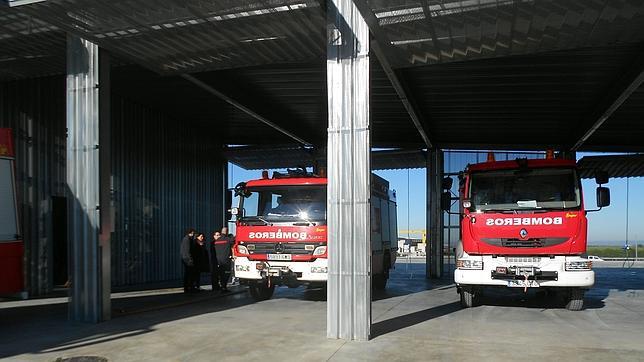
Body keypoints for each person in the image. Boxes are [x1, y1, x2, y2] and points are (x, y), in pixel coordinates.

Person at [214, 227, 235, 292]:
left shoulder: (217, 241)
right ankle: (224, 286)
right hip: (226, 260)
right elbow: (234, 241)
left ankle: (222, 286)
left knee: (221, 273)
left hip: (218, 260)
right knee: (227, 273)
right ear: (226, 232)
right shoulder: (228, 239)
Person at [180, 228, 196, 294]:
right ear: (190, 233)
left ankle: (188, 288)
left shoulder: (186, 239)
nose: (193, 234)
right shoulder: (187, 240)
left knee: (188, 274)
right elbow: (187, 251)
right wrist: (190, 260)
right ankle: (189, 288)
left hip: (186, 259)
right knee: (189, 274)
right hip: (188, 260)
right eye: (192, 233)